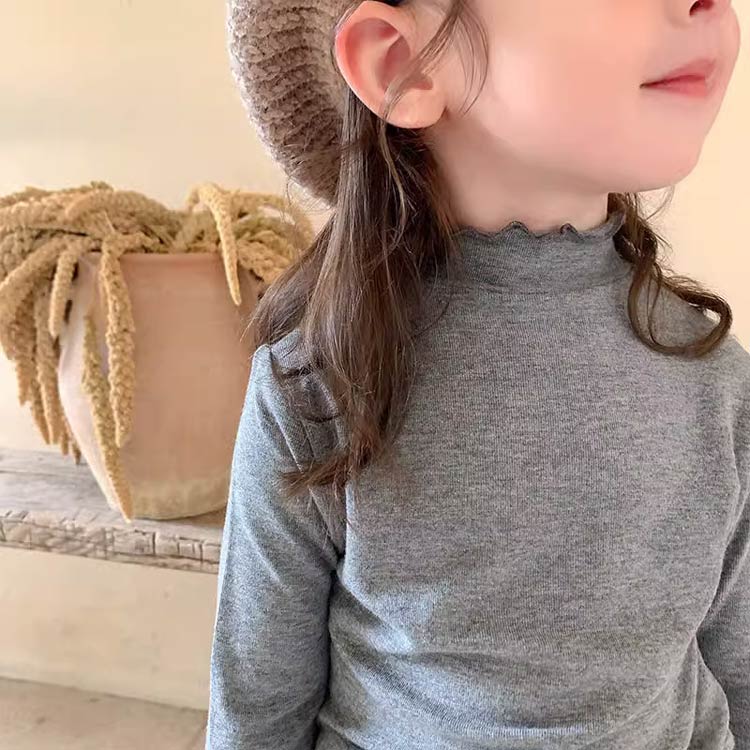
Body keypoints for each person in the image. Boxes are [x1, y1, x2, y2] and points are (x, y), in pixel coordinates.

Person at [206, 1, 748, 748]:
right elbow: (258, 705)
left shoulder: (716, 379)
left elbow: (741, 664)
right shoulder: (318, 384)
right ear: (401, 62)